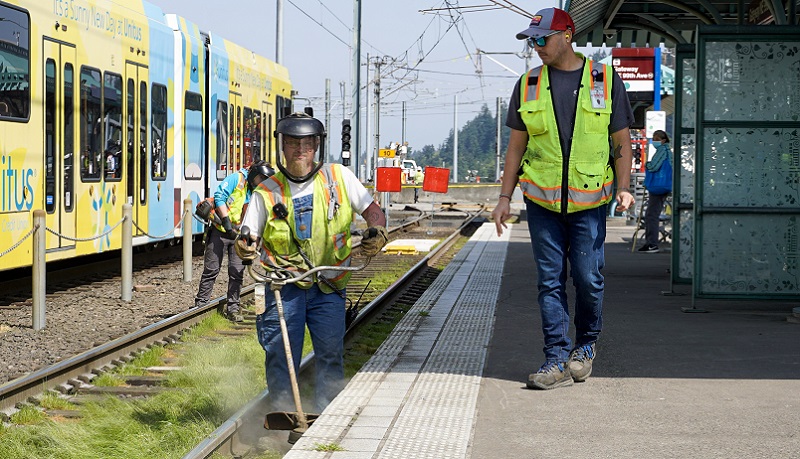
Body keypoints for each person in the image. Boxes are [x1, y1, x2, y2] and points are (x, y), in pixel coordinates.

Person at [491, 7, 636, 390]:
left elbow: (621, 139)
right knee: (550, 281)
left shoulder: (604, 79)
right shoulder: (527, 86)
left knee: (589, 279)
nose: (536, 46)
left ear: (567, 36)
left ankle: (586, 346)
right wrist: (504, 197)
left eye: (542, 38)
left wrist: (624, 187)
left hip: (590, 202)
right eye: (532, 40)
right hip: (541, 203)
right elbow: (515, 149)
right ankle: (555, 356)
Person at [236, 112, 389, 414]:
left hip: (328, 286)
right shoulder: (266, 192)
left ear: (317, 146)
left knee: (331, 353)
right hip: (282, 288)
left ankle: (326, 414)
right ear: (282, 147)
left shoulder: (339, 178)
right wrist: (245, 246)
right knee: (280, 353)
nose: (300, 151)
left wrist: (377, 229)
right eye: (293, 143)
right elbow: (248, 235)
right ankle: (283, 414)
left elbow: (372, 209)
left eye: (307, 144)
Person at [194, 160, 273, 322]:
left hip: (240, 235)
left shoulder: (258, 191)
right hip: (221, 231)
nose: (261, 183)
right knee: (211, 269)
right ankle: (200, 306)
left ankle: (233, 309)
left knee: (237, 272)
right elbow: (220, 196)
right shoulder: (236, 179)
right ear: (253, 174)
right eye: (260, 178)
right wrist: (226, 222)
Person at [638, 130, 673, 253]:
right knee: (652, 214)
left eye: (656, 138)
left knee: (651, 215)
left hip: (658, 186)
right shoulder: (668, 151)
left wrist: (647, 164)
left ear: (663, 140)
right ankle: (650, 242)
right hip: (664, 185)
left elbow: (654, 166)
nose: (654, 141)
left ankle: (652, 243)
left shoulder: (662, 150)